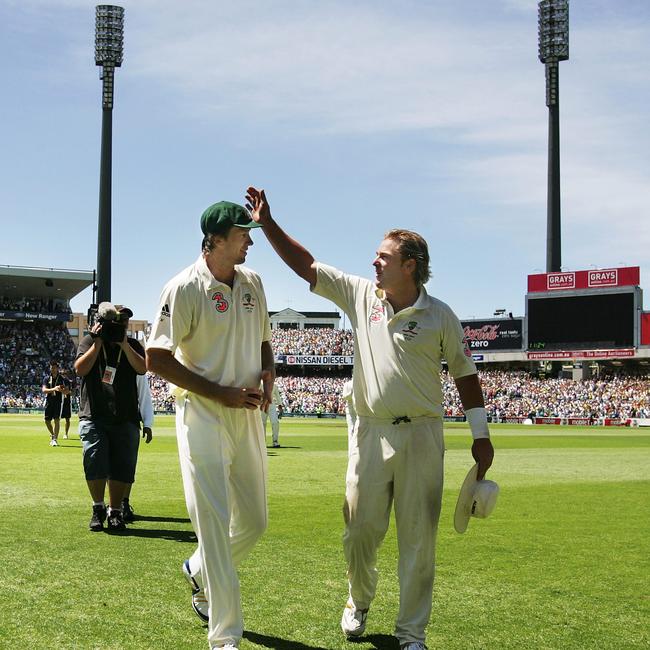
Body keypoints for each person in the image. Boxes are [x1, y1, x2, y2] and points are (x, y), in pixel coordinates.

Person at [246, 186, 494, 650]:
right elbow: (307, 266)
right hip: (369, 431)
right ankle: (358, 599)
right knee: (360, 529)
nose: (374, 262)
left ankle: (411, 632)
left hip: (423, 434)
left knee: (419, 540)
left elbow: (465, 375)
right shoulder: (362, 296)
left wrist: (480, 437)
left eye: (383, 257)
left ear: (411, 265)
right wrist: (268, 224)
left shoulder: (441, 316)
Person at [146, 200, 274, 650]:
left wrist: (268, 372)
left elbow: (263, 340)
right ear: (215, 240)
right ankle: (224, 637)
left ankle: (197, 570)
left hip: (247, 413)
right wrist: (218, 392)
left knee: (255, 522)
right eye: (242, 234)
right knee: (216, 526)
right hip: (202, 414)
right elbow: (156, 358)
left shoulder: (253, 283)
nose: (250, 241)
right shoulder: (183, 287)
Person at [74, 303, 146, 532]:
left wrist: (123, 344)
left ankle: (115, 511)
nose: (121, 324)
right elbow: (80, 370)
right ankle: (98, 507)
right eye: (118, 320)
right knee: (94, 460)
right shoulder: (89, 341)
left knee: (121, 466)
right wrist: (97, 343)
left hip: (125, 415)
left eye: (125, 320)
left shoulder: (133, 344)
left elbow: (142, 369)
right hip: (94, 414)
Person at [121, 371, 155, 522]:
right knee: (109, 465)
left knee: (128, 466)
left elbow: (144, 394)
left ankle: (124, 503)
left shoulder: (135, 366)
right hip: (105, 420)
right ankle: (113, 504)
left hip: (130, 421)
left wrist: (147, 423)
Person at [42, 360, 65, 446]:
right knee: (47, 421)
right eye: (52, 368)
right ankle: (52, 434)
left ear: (57, 368)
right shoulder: (46, 378)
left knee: (57, 420)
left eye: (54, 368)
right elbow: (44, 390)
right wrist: (54, 389)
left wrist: (63, 390)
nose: (53, 369)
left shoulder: (62, 379)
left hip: (58, 402)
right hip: (49, 401)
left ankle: (55, 439)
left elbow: (66, 391)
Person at [260, 383, 282, 447]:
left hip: (271, 405)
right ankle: (263, 442)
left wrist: (280, 405)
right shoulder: (260, 383)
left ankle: (275, 441)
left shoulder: (274, 384)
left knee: (275, 422)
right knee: (262, 424)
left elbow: (277, 395)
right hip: (262, 404)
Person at [60, 369, 74, 439]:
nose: (64, 376)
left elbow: (70, 391)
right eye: (62, 374)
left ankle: (66, 434)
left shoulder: (68, 381)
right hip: (59, 402)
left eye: (65, 374)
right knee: (56, 418)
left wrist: (67, 391)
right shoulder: (59, 381)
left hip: (67, 402)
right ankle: (54, 433)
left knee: (67, 419)